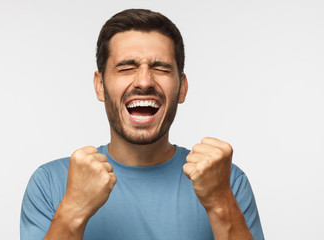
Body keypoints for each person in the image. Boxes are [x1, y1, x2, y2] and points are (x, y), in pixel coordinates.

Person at [20, 9, 264, 240]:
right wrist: (72, 210)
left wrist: (220, 202)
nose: (145, 81)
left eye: (161, 68)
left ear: (182, 88)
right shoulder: (50, 183)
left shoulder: (226, 180)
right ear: (100, 86)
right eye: (126, 68)